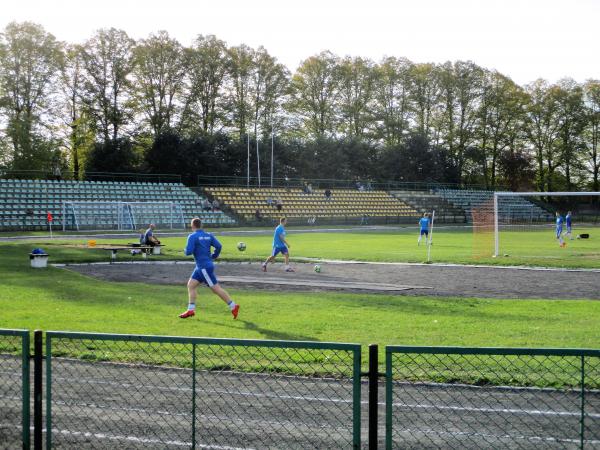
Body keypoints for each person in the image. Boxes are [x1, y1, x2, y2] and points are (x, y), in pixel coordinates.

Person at [179, 218, 239, 319]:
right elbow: (219, 246)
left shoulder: (192, 236)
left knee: (216, 289)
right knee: (191, 285)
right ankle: (190, 310)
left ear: (192, 226)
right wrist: (214, 255)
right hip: (202, 266)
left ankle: (233, 306)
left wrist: (185, 250)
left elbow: (188, 252)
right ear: (201, 225)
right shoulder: (209, 235)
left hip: (203, 268)